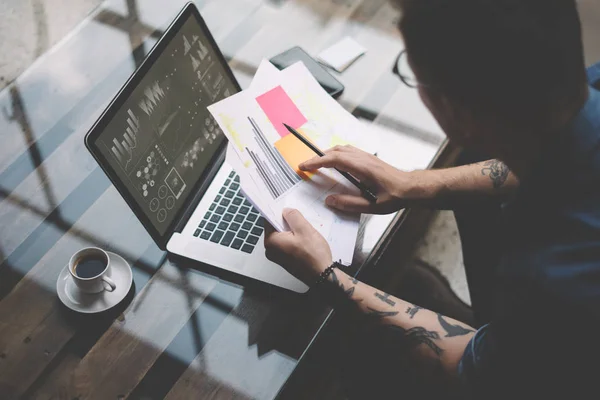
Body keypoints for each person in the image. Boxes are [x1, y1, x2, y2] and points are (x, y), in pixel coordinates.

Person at [264, 0, 600, 398]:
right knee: (413, 283)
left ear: (456, 113)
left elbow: (476, 371)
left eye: (414, 75)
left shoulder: (553, 276)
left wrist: (326, 277)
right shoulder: (571, 98)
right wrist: (413, 184)